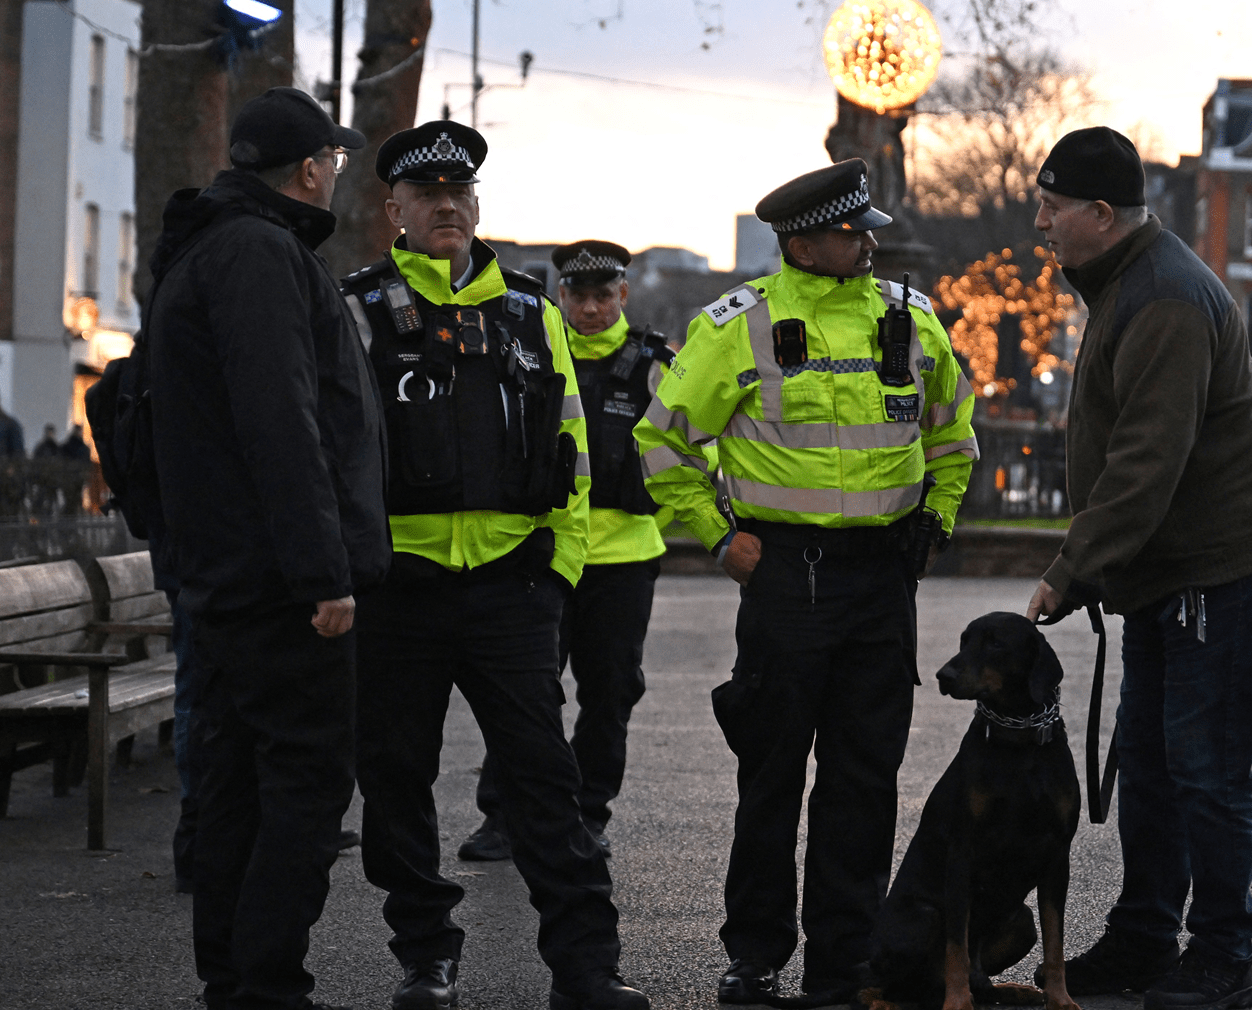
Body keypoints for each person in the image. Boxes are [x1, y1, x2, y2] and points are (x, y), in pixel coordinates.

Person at [634, 159, 978, 1005]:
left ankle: (844, 962)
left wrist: (935, 518)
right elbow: (662, 442)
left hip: (878, 582)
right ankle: (754, 954)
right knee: (772, 777)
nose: (866, 242)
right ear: (801, 241)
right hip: (785, 577)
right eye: (850, 231)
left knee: (863, 783)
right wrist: (722, 540)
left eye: (865, 231)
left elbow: (954, 434)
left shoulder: (910, 320)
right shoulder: (738, 324)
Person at [339, 122, 646, 1010]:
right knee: (396, 785)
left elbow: (572, 453)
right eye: (427, 195)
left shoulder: (527, 311)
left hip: (512, 591)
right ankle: (425, 954)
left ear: (477, 206)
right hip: (399, 593)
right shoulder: (358, 309)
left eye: (460, 194)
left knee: (545, 787)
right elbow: (335, 453)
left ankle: (587, 970)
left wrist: (558, 572)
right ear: (392, 208)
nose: (447, 206)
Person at [1019, 127, 1252, 1010]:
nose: (1041, 222)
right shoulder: (1129, 282)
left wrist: (1071, 570)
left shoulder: (1167, 298)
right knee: (1150, 761)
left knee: (1205, 769)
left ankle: (1225, 955)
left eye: (1053, 206)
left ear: (1101, 214)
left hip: (1218, 563)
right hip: (1173, 567)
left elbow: (1149, 459)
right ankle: (1147, 936)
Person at [146, 85, 387, 1010]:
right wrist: (322, 572)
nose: (334, 175)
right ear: (310, 170)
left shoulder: (210, 245)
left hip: (229, 571)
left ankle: (236, 978)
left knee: (240, 780)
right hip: (278, 583)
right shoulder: (258, 252)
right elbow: (280, 421)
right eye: (331, 162)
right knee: (302, 784)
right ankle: (264, 982)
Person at [456, 240, 672, 865]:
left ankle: (588, 814)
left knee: (609, 692)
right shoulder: (534, 354)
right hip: (544, 550)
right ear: (562, 297)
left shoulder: (655, 363)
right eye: (578, 295)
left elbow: (691, 445)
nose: (591, 307)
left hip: (625, 556)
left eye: (604, 295)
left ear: (622, 295)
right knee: (523, 688)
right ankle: (503, 818)